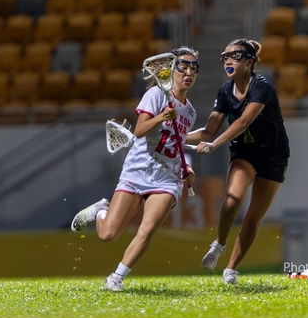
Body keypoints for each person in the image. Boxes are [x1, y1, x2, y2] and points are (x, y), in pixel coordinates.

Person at [70, 47, 199, 291]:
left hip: (167, 178)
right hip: (137, 170)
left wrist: (186, 168)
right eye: (183, 67)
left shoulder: (190, 112)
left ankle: (116, 278)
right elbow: (139, 130)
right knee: (108, 234)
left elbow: (175, 145)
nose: (189, 72)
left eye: (194, 68)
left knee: (148, 228)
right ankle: (100, 210)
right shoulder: (155, 95)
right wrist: (161, 118)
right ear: (171, 70)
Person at [186, 39, 290, 285]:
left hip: (274, 155)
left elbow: (243, 122)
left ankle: (230, 270)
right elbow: (208, 130)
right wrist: (176, 135)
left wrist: (214, 145)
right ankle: (219, 244)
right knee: (233, 199)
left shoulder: (261, 86)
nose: (228, 61)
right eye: (225, 57)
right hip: (244, 153)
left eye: (234, 56)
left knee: (253, 218)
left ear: (250, 62)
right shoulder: (225, 91)